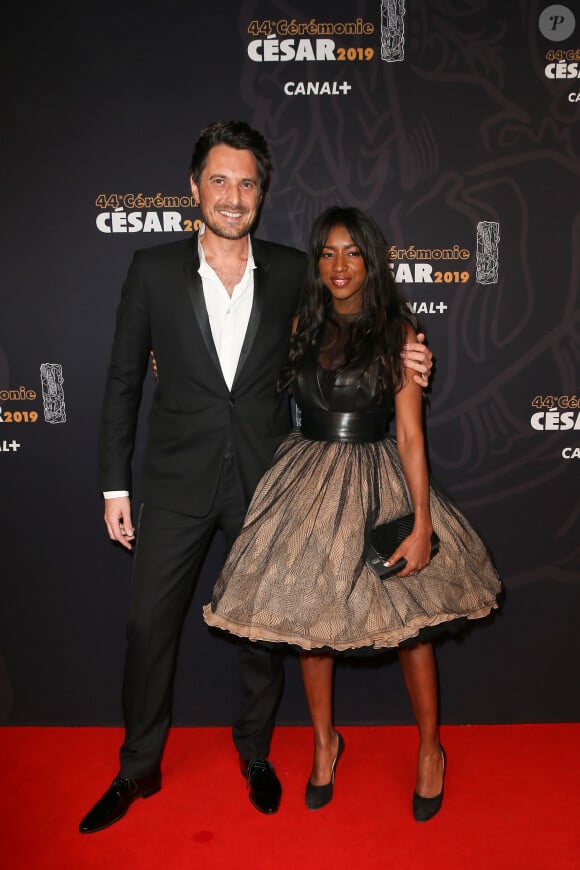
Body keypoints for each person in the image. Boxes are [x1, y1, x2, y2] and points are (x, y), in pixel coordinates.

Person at [79, 124, 433, 833]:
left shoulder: (290, 271)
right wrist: (114, 486)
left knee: (263, 631)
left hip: (269, 482)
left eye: (247, 183)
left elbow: (351, 312)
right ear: (194, 188)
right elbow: (123, 382)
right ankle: (137, 765)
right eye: (220, 180)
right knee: (149, 627)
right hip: (176, 482)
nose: (233, 197)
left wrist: (408, 347)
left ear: (261, 193)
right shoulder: (151, 269)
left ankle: (256, 753)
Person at [204, 206, 502, 821]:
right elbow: (237, 370)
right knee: (316, 628)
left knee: (411, 627)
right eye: (328, 253)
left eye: (352, 253)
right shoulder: (299, 326)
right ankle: (323, 742)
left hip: (378, 479)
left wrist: (422, 524)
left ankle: (429, 749)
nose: (340, 266)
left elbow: (412, 437)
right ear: (317, 263)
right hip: (307, 482)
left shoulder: (398, 333)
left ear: (371, 260)